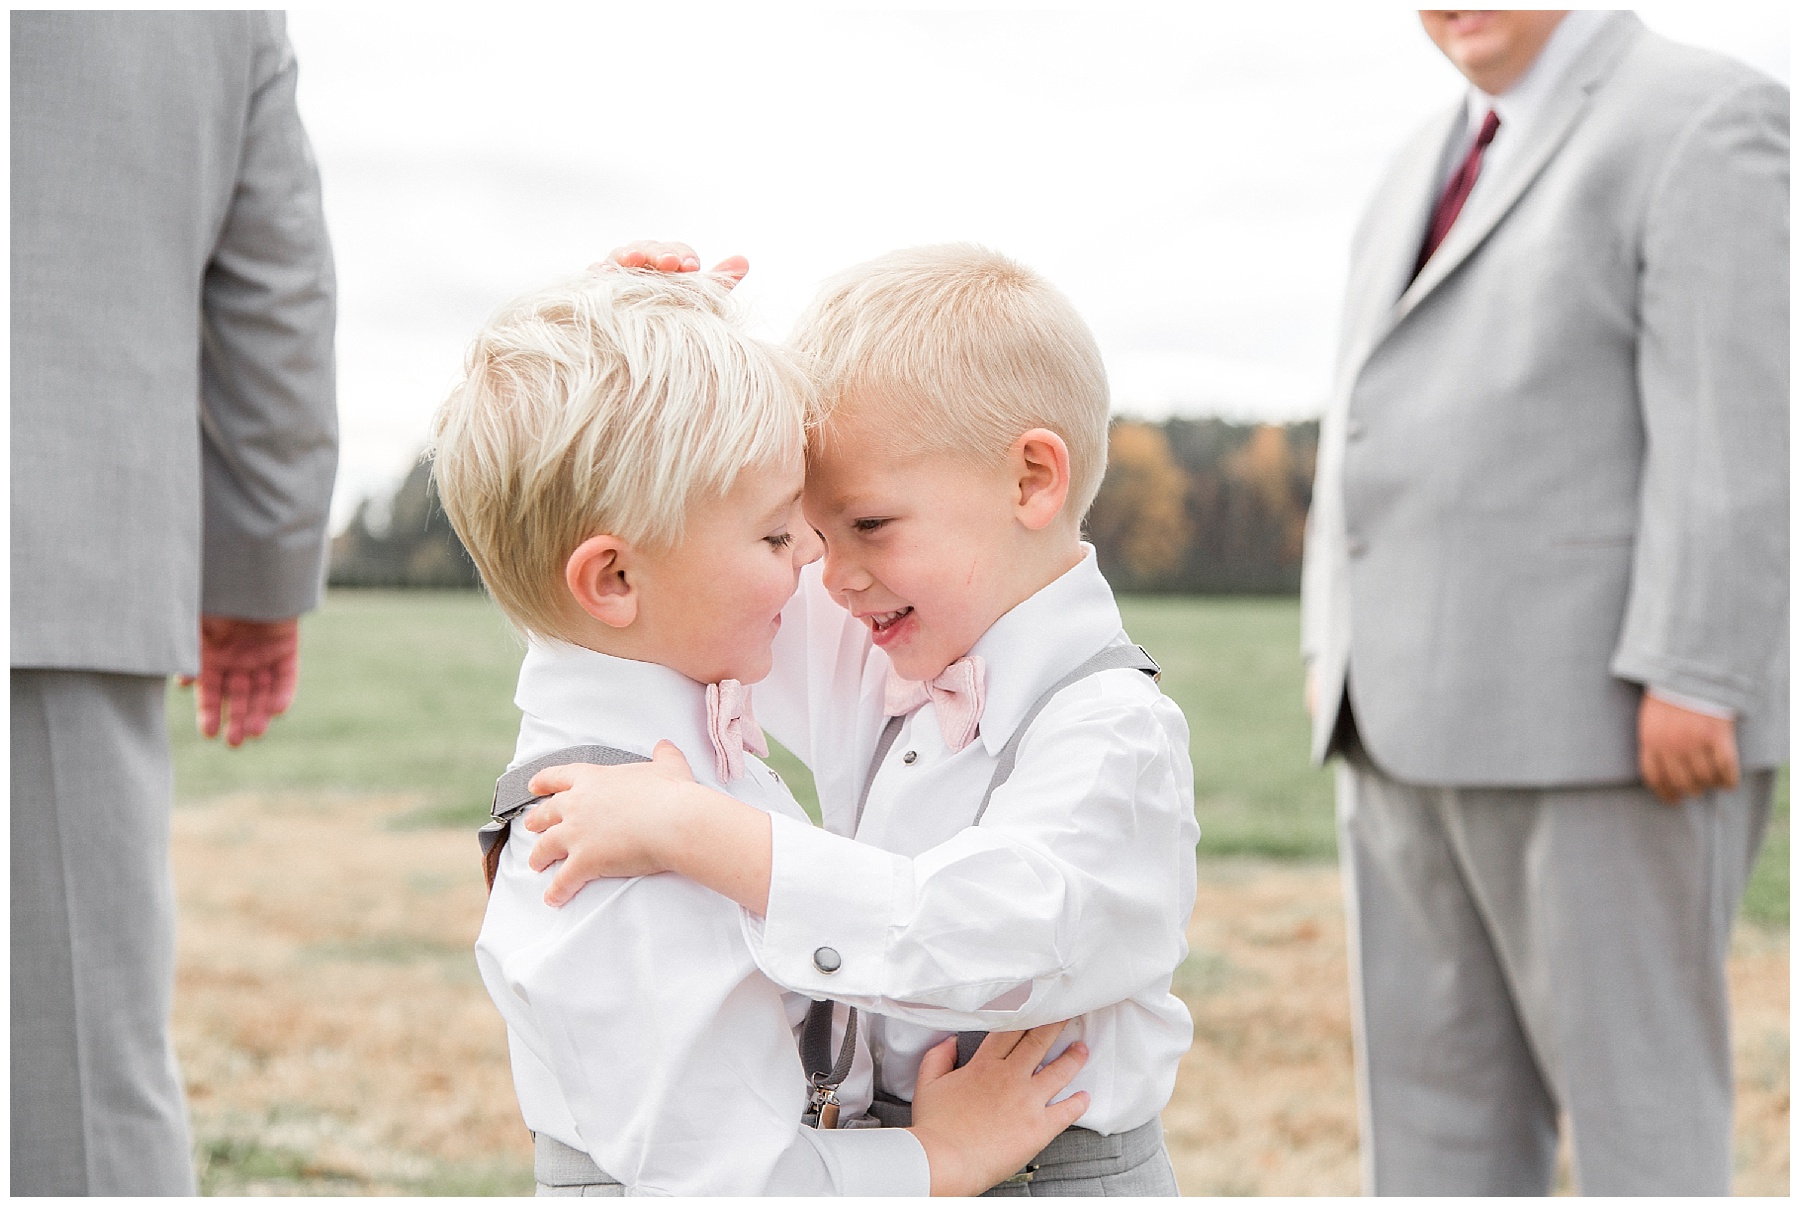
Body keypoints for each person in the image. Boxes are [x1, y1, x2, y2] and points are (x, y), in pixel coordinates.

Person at [524, 243, 1198, 1195]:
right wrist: (641, 377)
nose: (829, 573)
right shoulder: (881, 625)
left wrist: (700, 829)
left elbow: (973, 935)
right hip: (891, 1159)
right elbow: (667, 583)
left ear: (1031, 480)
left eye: (869, 525)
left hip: (1052, 1171)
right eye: (811, 531)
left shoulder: (1114, 734)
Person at [1299, 9, 1787, 1195]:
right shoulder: (1419, 157)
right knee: (1430, 1128)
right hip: (1394, 724)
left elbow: (1739, 423)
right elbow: (1360, 415)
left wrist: (1699, 670)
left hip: (1612, 731)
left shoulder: (1707, 118)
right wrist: (1332, 640)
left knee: (1640, 1129)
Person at [11, 12, 338, 1196]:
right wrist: (254, 576)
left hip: (47, 579)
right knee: (71, 1113)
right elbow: (275, 296)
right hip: (44, 570)